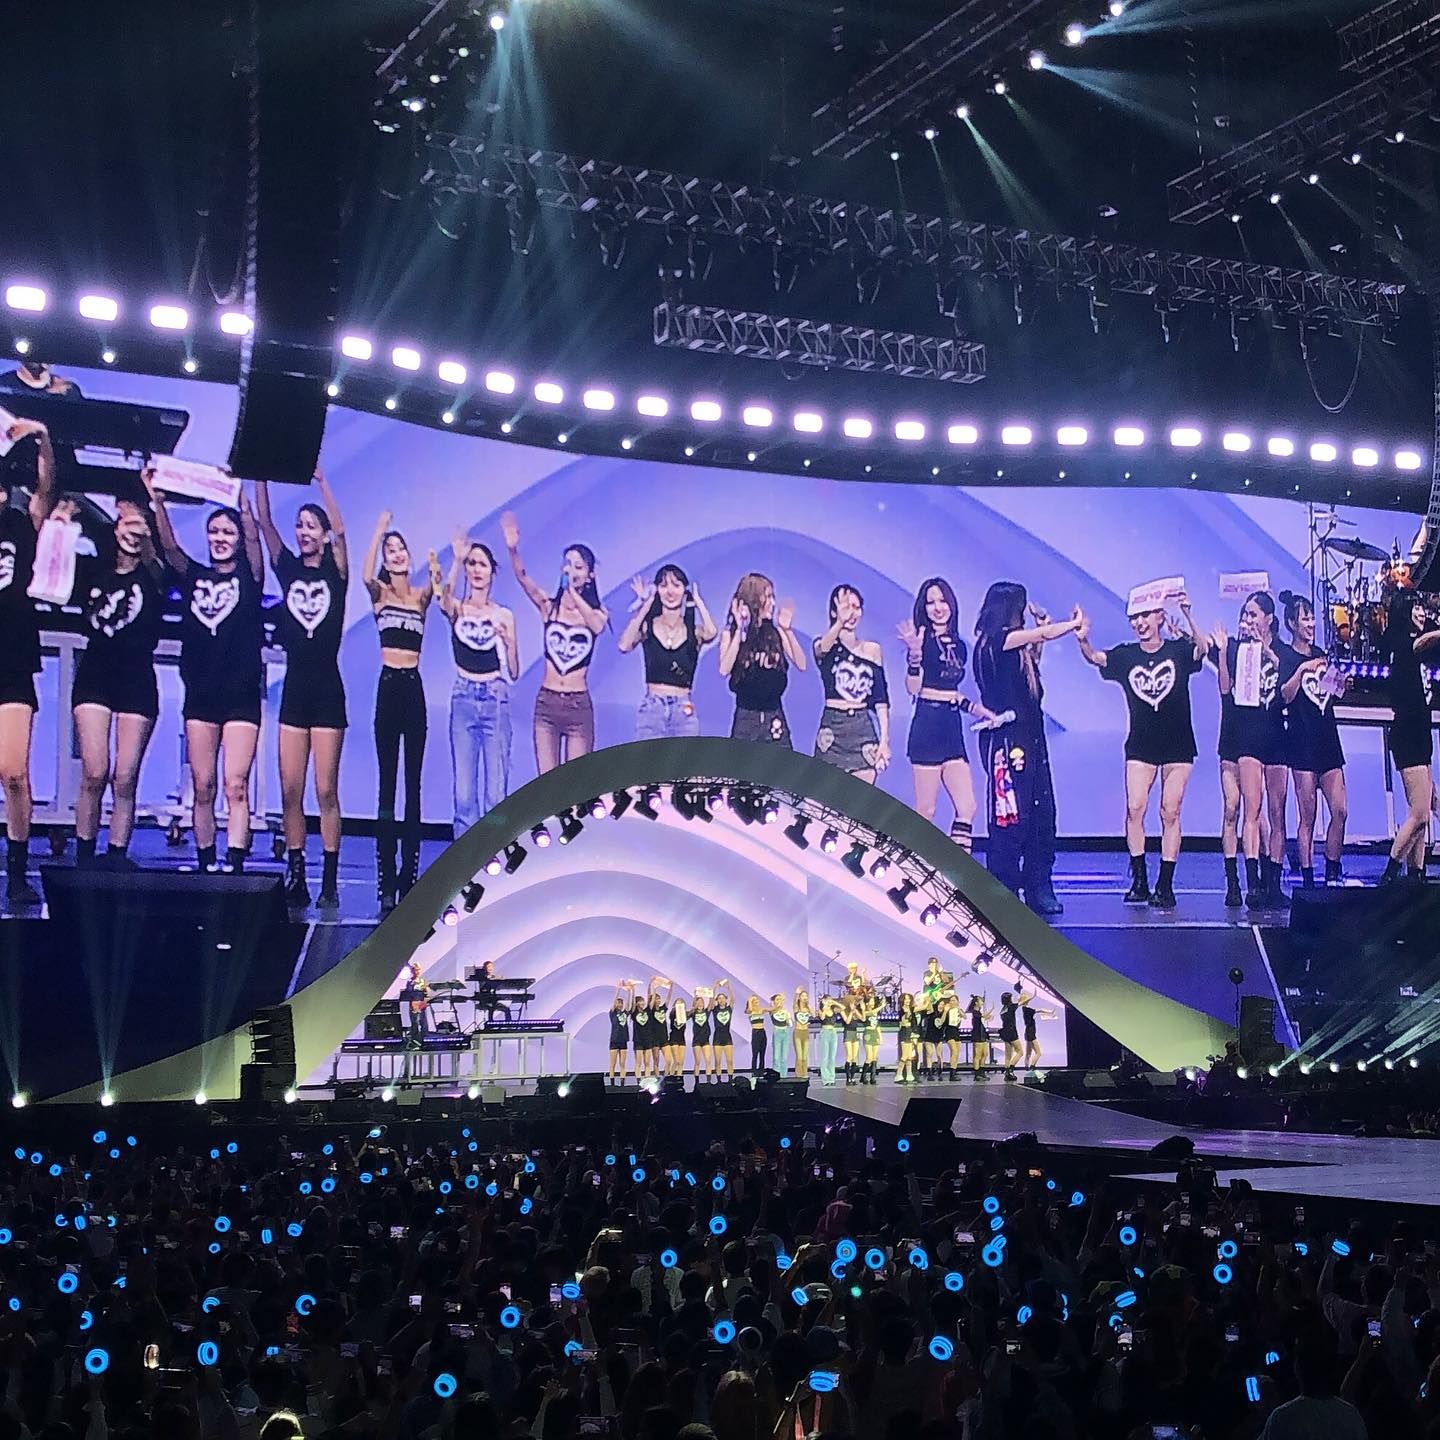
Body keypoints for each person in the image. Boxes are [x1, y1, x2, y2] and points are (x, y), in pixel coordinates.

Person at [147, 477, 265, 876]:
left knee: (236, 783)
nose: (220, 538)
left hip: (241, 697)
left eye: (227, 532)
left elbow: (255, 544)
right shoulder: (194, 576)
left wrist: (245, 510)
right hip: (200, 695)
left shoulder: (249, 578)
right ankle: (205, 860)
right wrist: (158, 504)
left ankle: (235, 862)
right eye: (214, 531)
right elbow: (170, 550)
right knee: (203, 785)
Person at [1076, 589, 1207, 909]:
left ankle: (1165, 884)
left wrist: (1188, 613)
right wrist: (1083, 639)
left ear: (1160, 617)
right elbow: (1096, 658)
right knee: (1135, 808)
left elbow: (1201, 649)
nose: (1140, 623)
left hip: (1178, 744)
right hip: (1141, 745)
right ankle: (1139, 880)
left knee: (1170, 811)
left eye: (1146, 615)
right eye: (1134, 618)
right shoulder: (1126, 655)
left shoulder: (1178, 650)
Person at [255, 472, 349, 908]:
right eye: (300, 525)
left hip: (327, 692)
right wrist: (260, 476)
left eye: (312, 526)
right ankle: (296, 872)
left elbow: (342, 532)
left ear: (323, 534)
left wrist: (323, 483)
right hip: (294, 691)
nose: (304, 532)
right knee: (290, 789)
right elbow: (265, 523)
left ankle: (330, 878)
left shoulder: (336, 572)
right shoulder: (288, 569)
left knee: (325, 790)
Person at [974, 583, 1083, 916]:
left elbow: (1031, 662)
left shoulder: (1015, 648)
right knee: (1010, 816)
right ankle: (1004, 888)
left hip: (1032, 738)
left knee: (1041, 812)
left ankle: (1039, 885)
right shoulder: (996, 641)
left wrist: (1039, 635)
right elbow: (1043, 634)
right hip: (1007, 741)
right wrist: (1072, 624)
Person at [71, 500, 165, 868]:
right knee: (95, 771)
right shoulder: (95, 569)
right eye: (127, 525)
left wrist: (151, 513)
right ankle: (84, 855)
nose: (133, 533)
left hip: (136, 679)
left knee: (124, 777)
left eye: (140, 527)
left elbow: (157, 563)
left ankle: (116, 856)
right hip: (95, 675)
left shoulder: (153, 574)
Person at [362, 513, 433, 912]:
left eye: (401, 548)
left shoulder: (420, 596)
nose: (396, 554)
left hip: (413, 688)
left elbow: (442, 590)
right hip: (388, 686)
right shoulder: (380, 594)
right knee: (387, 786)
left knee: (413, 787)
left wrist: (457, 559)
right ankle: (385, 881)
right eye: (390, 550)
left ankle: (410, 877)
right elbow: (364, 575)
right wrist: (379, 529)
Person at [501, 512, 608, 773]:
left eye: (579, 566)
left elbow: (596, 626)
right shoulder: (549, 608)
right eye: (567, 564)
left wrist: (571, 592)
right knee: (547, 783)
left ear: (590, 576)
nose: (571, 570)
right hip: (547, 704)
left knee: (574, 784)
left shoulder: (597, 613)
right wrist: (513, 550)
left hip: (578, 706)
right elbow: (524, 579)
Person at [0, 417, 57, 905]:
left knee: (14, 773)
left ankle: (18, 870)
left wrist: (43, 437)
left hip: (13, 656)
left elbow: (45, 490)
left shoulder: (19, 524)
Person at [898, 577, 998, 853]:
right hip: (927, 727)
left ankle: (956, 869)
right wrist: (914, 657)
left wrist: (977, 710)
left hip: (951, 728)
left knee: (967, 807)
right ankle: (914, 868)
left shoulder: (960, 645)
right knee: (926, 811)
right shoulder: (921, 642)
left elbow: (951, 692)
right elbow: (913, 689)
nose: (938, 607)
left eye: (942, 601)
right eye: (930, 602)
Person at [1211, 592, 1289, 910]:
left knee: (1277, 813)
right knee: (1246, 808)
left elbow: (1287, 682)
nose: (1248, 620)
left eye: (1253, 614)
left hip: (1276, 737)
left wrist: (1266, 650)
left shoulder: (1280, 650)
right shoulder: (1236, 649)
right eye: (1245, 614)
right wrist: (1222, 651)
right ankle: (1249, 882)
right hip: (1244, 738)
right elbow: (1225, 689)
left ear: (1269, 619)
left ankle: (1274, 883)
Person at [440, 534, 518, 835]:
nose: (476, 569)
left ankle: (494, 858)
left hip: (495, 698)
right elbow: (443, 599)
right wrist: (456, 560)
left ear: (492, 572)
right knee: (464, 795)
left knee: (496, 794)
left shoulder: (504, 615)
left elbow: (514, 670)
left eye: (482, 564)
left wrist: (509, 643)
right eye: (472, 564)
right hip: (463, 696)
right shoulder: (458, 609)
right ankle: (465, 859)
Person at [1277, 591, 1349, 888]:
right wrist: (1302, 670)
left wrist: (1340, 680)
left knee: (1340, 810)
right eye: (1305, 619)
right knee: (1308, 816)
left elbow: (1334, 691)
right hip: (1302, 744)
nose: (1311, 624)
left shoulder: (1320, 653)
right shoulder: (1287, 656)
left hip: (1327, 741)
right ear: (1292, 624)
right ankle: (1308, 878)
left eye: (1312, 619)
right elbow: (1285, 694)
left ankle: (1332, 870)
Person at [1378, 596, 1440, 885]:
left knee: (1425, 808)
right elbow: (1420, 644)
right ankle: (1391, 871)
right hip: (1407, 734)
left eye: (1422, 608)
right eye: (1416, 608)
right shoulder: (1402, 643)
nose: (1421, 613)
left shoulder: (1421, 644)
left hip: (1420, 733)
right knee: (1420, 814)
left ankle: (1417, 873)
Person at [617, 564, 717, 738]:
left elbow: (711, 633)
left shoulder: (693, 631)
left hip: (683, 710)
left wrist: (698, 602)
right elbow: (624, 645)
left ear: (684, 590)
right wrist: (646, 604)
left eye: (676, 585)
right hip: (653, 708)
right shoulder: (648, 627)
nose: (670, 592)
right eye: (663, 586)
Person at [813, 584, 890, 782]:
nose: (852, 613)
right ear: (833, 611)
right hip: (833, 729)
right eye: (846, 606)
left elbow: (881, 700)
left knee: (860, 797)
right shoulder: (824, 646)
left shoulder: (872, 650)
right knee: (826, 797)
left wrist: (884, 740)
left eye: (856, 607)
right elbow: (822, 650)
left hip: (862, 730)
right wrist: (839, 622)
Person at [719, 573, 806, 745]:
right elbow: (724, 669)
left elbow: (801, 664)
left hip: (774, 715)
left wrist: (787, 630)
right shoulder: (731, 634)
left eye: (773, 597)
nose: (772, 603)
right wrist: (740, 630)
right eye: (767, 597)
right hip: (745, 718)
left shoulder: (776, 633)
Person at [998, 986, 1033, 1083]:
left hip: (1004, 1032)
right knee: (1020, 1052)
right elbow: (1023, 1001)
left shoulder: (1003, 1009)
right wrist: (1032, 996)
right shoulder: (1011, 1007)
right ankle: (1010, 1070)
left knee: (1008, 1055)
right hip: (1011, 1032)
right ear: (1009, 999)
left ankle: (1007, 1074)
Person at [1019, 983, 1055, 1072]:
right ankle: (1032, 1067)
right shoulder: (1027, 1010)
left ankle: (1027, 1068)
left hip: (1028, 1033)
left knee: (1028, 1053)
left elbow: (1039, 1011)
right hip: (1031, 1033)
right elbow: (1040, 1010)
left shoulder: (1025, 1009)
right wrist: (1050, 1012)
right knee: (1038, 1053)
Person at [607, 983, 633, 1085]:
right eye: (618, 1003)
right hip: (614, 1040)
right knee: (613, 1064)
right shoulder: (612, 1013)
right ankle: (612, 1083)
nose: (620, 1005)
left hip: (623, 1040)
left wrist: (629, 991)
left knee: (622, 1063)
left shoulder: (625, 1013)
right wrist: (618, 989)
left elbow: (628, 1004)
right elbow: (614, 1001)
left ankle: (622, 1082)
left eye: (621, 1003)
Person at [711, 980, 735, 1081]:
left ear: (726, 999)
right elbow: (711, 999)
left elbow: (733, 999)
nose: (721, 1000)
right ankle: (719, 1080)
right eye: (719, 998)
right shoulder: (715, 1009)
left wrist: (729, 987)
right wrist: (715, 987)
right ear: (717, 1000)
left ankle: (730, 1080)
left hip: (727, 1037)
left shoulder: (729, 1008)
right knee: (718, 1061)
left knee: (730, 1060)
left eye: (723, 998)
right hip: (717, 1037)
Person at [966, 994, 993, 1080]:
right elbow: (981, 1017)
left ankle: (982, 1072)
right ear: (976, 1003)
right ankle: (977, 1074)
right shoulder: (975, 1012)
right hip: (977, 1035)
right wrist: (991, 1010)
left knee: (985, 1054)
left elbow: (983, 1018)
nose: (982, 1003)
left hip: (982, 1034)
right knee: (978, 1055)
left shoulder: (978, 1012)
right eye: (981, 1001)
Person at [815, 995, 840, 1086]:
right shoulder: (821, 1010)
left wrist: (834, 1002)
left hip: (833, 1032)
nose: (829, 1001)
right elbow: (822, 1018)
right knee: (825, 1056)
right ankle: (826, 1079)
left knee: (832, 1057)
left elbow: (843, 1008)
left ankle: (831, 1078)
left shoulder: (834, 1009)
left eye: (830, 999)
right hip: (825, 1032)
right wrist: (825, 1008)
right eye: (827, 999)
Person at [690, 989, 713, 1086]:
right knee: (697, 1062)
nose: (700, 1004)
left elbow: (711, 1003)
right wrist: (695, 997)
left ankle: (709, 1081)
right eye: (698, 1002)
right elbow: (691, 1010)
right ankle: (697, 1082)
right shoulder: (693, 1013)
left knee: (708, 1061)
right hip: (696, 1040)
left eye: (701, 1002)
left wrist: (711, 993)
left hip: (705, 1040)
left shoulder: (706, 1012)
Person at [895, 992, 918, 1086]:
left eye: (909, 999)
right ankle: (898, 1074)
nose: (907, 1001)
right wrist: (907, 1012)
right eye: (905, 999)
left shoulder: (911, 1009)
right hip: (904, 1032)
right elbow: (904, 1021)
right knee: (905, 1056)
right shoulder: (902, 1010)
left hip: (910, 1032)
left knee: (909, 1056)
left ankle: (909, 1074)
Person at [768, 993, 793, 1077]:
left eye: (780, 999)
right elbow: (772, 1010)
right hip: (777, 1031)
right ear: (774, 1001)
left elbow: (790, 1024)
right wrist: (777, 1005)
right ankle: (776, 1075)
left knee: (784, 1057)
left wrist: (788, 1018)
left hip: (785, 1032)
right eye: (777, 999)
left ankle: (783, 1076)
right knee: (776, 1056)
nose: (779, 1001)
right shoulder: (772, 1010)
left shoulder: (785, 1011)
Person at [861, 994, 883, 1085]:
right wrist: (881, 1006)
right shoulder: (864, 1011)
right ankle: (863, 1076)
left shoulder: (875, 1012)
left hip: (875, 1033)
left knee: (874, 1057)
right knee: (869, 1057)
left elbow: (877, 1025)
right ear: (867, 1003)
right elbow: (869, 1013)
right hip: (868, 1033)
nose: (873, 1003)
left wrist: (880, 1036)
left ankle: (872, 1077)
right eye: (871, 1001)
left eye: (873, 1001)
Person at [841, 997, 862, 1085]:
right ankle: (848, 1078)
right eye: (852, 1001)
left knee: (854, 1057)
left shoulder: (855, 1010)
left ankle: (852, 1078)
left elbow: (862, 1018)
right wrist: (851, 1011)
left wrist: (855, 1010)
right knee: (849, 1056)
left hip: (855, 1032)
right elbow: (847, 1021)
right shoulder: (843, 1011)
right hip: (848, 1032)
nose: (853, 1003)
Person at [792, 988, 812, 1079]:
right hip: (798, 1032)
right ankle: (799, 1075)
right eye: (803, 996)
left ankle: (804, 1074)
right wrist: (797, 994)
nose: (805, 997)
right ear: (800, 997)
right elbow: (794, 1003)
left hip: (806, 1032)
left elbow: (813, 1015)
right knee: (799, 1056)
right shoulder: (797, 1008)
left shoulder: (808, 1008)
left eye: (806, 996)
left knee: (805, 1056)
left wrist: (809, 1006)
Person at [746, 994, 768, 1074]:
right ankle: (754, 1072)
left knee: (762, 1054)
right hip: (755, 1032)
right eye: (754, 1000)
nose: (756, 1001)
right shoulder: (750, 1011)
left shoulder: (761, 1010)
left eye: (757, 999)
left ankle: (761, 1071)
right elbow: (749, 1009)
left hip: (763, 1032)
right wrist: (750, 999)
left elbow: (771, 1009)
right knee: (755, 1054)